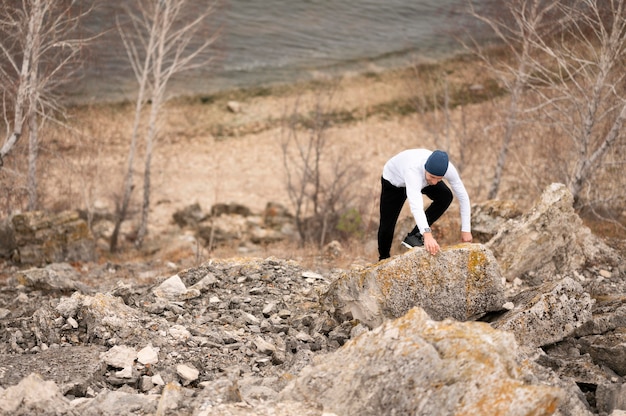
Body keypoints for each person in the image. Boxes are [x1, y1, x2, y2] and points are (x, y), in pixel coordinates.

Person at [377, 149, 472, 260]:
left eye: (439, 179)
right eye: (432, 177)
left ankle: (414, 236)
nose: (435, 182)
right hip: (394, 182)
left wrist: (466, 230)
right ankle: (383, 258)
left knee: (445, 197)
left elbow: (463, 197)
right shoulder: (413, 171)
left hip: (422, 178)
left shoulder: (446, 169)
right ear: (425, 168)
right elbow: (416, 207)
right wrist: (427, 235)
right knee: (387, 224)